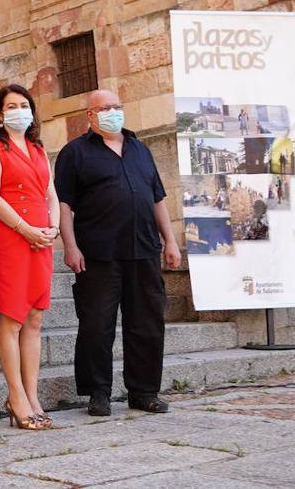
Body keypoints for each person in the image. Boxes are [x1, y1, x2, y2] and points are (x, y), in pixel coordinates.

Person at [55, 89, 182, 418]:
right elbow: (65, 205)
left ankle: (144, 391)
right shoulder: (75, 153)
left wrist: (170, 240)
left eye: (116, 107)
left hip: (143, 249)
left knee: (148, 324)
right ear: (90, 115)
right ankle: (98, 392)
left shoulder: (141, 149)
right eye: (104, 108)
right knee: (97, 325)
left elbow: (157, 198)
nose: (112, 112)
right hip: (98, 253)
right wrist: (70, 246)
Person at [0, 84, 59, 430]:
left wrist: (52, 227)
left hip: (42, 239)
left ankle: (32, 395)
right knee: (12, 318)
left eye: (24, 105)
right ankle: (16, 395)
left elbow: (51, 194)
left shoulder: (39, 149)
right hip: (13, 237)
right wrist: (26, 229)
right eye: (11, 106)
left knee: (35, 319)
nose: (19, 110)